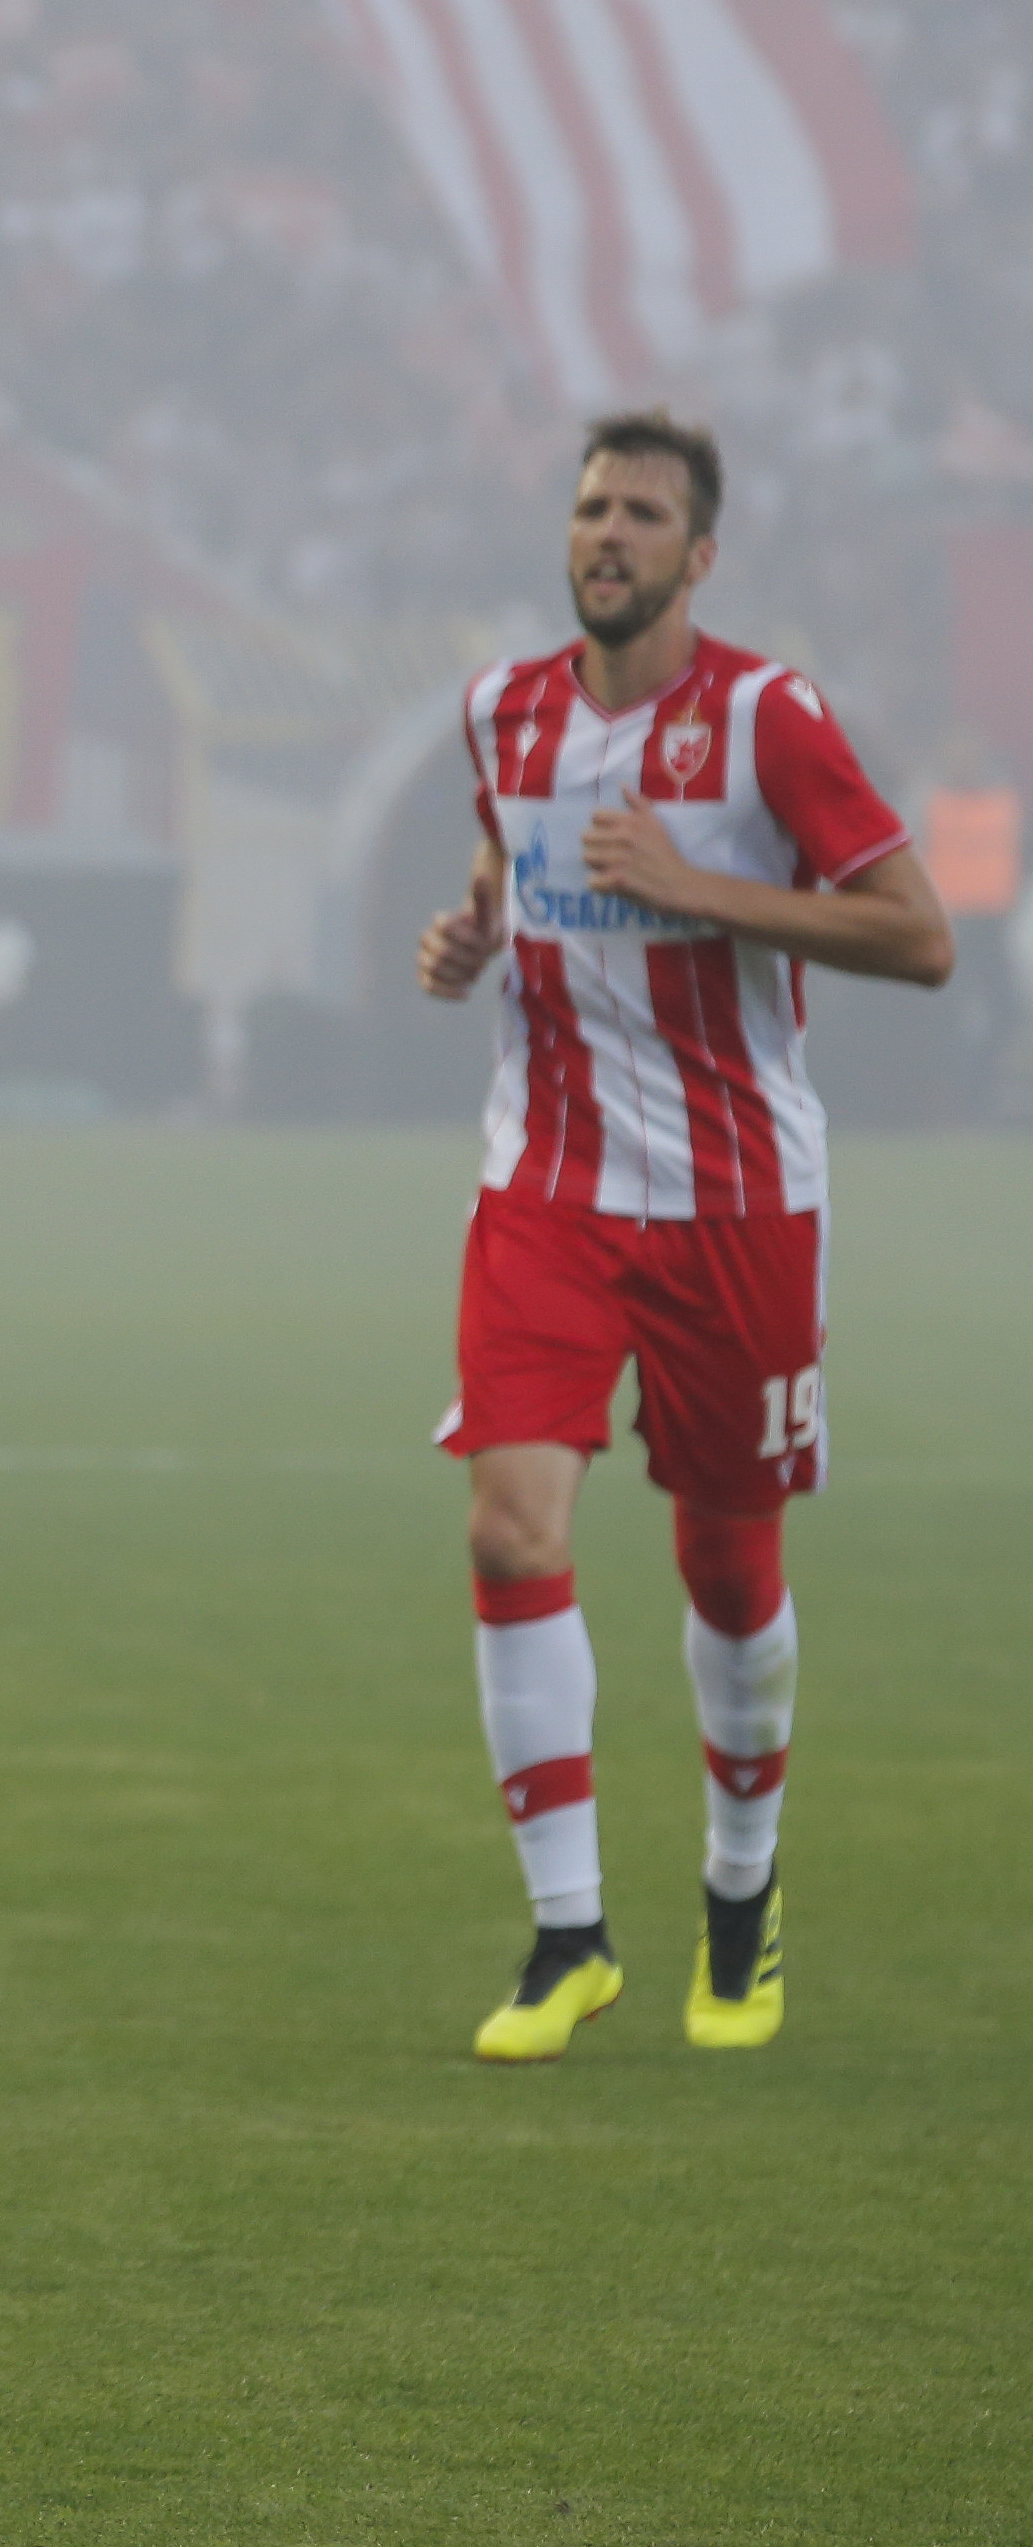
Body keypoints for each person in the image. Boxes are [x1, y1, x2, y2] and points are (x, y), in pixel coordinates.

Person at [417, 411, 952, 2064]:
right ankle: (565, 1935)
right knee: (511, 1529)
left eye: (642, 514)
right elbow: (509, 853)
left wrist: (697, 889)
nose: (608, 533)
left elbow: (918, 936)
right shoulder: (498, 707)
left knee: (726, 1567)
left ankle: (738, 1886)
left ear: (697, 555)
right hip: (546, 1190)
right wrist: (473, 929)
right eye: (591, 507)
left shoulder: (766, 718)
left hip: (736, 1206)